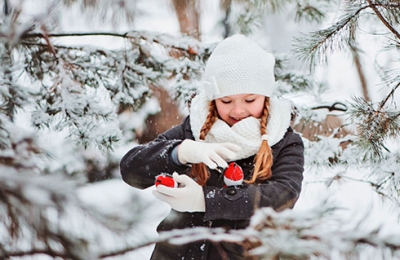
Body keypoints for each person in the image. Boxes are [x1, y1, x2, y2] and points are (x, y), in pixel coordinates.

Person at [120, 34, 304, 260]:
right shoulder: (194, 128)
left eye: (249, 100)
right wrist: (181, 152)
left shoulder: (284, 140)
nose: (238, 111)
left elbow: (281, 196)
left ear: (265, 97)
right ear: (213, 99)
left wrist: (205, 200)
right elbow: (131, 169)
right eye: (226, 101)